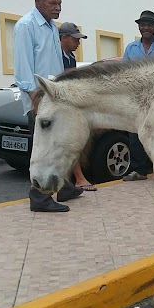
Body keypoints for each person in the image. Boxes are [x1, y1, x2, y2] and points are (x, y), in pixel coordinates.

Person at [14, 0, 83, 212]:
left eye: (60, 3)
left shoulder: (52, 27)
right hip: (39, 101)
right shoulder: (26, 26)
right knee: (43, 150)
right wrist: (35, 99)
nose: (58, 8)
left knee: (59, 143)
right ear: (38, 2)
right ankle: (40, 198)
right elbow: (24, 70)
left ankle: (63, 187)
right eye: (53, 3)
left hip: (53, 99)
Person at [122, 10, 154, 181]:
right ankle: (138, 169)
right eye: (143, 24)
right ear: (139, 27)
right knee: (135, 133)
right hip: (137, 99)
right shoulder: (131, 48)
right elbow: (124, 72)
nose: (146, 27)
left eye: (149, 25)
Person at [58, 22, 97, 192]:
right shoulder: (55, 56)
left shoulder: (71, 58)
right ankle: (79, 179)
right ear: (64, 38)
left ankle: (70, 182)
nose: (78, 43)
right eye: (75, 39)